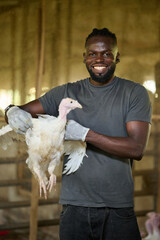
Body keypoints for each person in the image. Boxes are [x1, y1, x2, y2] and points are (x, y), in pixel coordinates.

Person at [5, 28, 152, 240]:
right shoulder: (65, 93)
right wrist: (10, 110)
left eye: (106, 53)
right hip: (75, 207)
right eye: (92, 54)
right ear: (85, 58)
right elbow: (20, 113)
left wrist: (85, 134)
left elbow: (136, 148)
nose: (99, 59)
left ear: (117, 56)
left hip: (118, 208)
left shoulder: (134, 93)